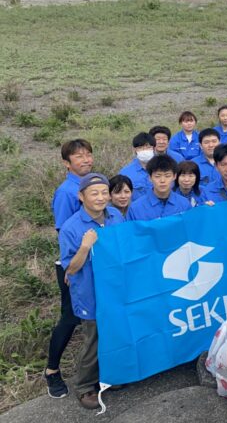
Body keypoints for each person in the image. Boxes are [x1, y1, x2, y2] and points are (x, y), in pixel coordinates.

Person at [58, 173, 124, 409]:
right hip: (89, 292)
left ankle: (109, 376)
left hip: (115, 288)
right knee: (93, 339)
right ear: (81, 196)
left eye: (104, 193)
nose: (100, 198)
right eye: (94, 193)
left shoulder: (115, 215)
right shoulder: (71, 228)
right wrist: (85, 246)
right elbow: (71, 268)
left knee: (114, 333)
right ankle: (85, 387)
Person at [45, 139, 94, 399]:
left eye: (88, 155)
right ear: (67, 163)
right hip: (73, 265)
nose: (85, 160)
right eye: (78, 157)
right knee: (70, 318)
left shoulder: (94, 183)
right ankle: (52, 371)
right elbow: (64, 233)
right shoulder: (66, 192)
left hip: (96, 264)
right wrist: (71, 269)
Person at [126, 155, 191, 221]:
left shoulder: (184, 204)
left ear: (174, 176)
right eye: (157, 176)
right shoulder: (136, 208)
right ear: (150, 178)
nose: (162, 180)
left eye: (167, 176)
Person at [118, 132, 156, 200]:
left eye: (148, 147)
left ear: (154, 148)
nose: (144, 151)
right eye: (140, 148)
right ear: (135, 149)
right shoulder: (125, 173)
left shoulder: (163, 169)